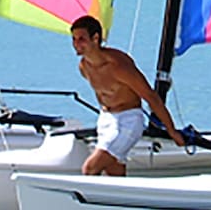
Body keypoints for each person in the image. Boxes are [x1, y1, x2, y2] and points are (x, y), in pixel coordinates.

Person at [69, 14, 186, 176]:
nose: (76, 44)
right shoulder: (84, 67)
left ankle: (80, 193)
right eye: (74, 39)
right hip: (106, 120)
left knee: (90, 168)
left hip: (128, 121)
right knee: (113, 171)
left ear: (95, 38)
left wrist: (171, 131)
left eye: (81, 39)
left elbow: (151, 97)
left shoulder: (118, 66)